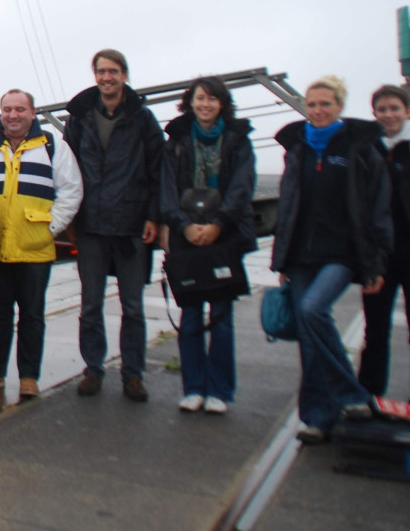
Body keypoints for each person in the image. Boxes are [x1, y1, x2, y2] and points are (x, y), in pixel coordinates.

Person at [272, 76, 392, 443]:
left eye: (326, 104)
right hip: (301, 258)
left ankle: (351, 394)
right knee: (310, 340)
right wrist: (281, 260)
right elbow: (288, 203)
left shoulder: (359, 147)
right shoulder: (297, 147)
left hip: (340, 254)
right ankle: (317, 418)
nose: (318, 111)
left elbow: (377, 207)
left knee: (312, 311)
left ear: (340, 106)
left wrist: (375, 263)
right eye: (312, 104)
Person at [63, 49, 164, 402]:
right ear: (95, 75)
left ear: (124, 75)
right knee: (90, 304)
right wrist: (70, 217)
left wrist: (154, 216)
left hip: (131, 224)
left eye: (114, 71)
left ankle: (133, 374)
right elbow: (68, 170)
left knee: (132, 306)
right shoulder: (80, 119)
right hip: (91, 224)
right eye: (101, 71)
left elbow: (158, 170)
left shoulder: (142, 119)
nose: (107, 77)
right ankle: (93, 368)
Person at [0, 88, 83, 400]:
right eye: (7, 109)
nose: (13, 115)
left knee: (32, 315)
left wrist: (51, 228)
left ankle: (29, 376)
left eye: (20, 109)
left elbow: (71, 189)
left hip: (35, 247)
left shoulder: (51, 146)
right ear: (0, 112)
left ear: (33, 113)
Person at [158, 77, 257, 414]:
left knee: (222, 315)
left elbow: (243, 186)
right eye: (200, 98)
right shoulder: (176, 141)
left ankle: (220, 390)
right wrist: (182, 226)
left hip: (224, 235)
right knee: (190, 313)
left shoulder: (238, 139)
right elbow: (167, 189)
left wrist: (219, 224)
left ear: (222, 103)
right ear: (191, 101)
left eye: (213, 99)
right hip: (186, 235)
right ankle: (193, 387)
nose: (205, 104)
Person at [359, 84, 410, 396]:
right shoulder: (368, 150)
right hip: (379, 254)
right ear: (375, 114)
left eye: (395, 108)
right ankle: (369, 395)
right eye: (383, 109)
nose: (389, 114)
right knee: (375, 329)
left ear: (406, 111)